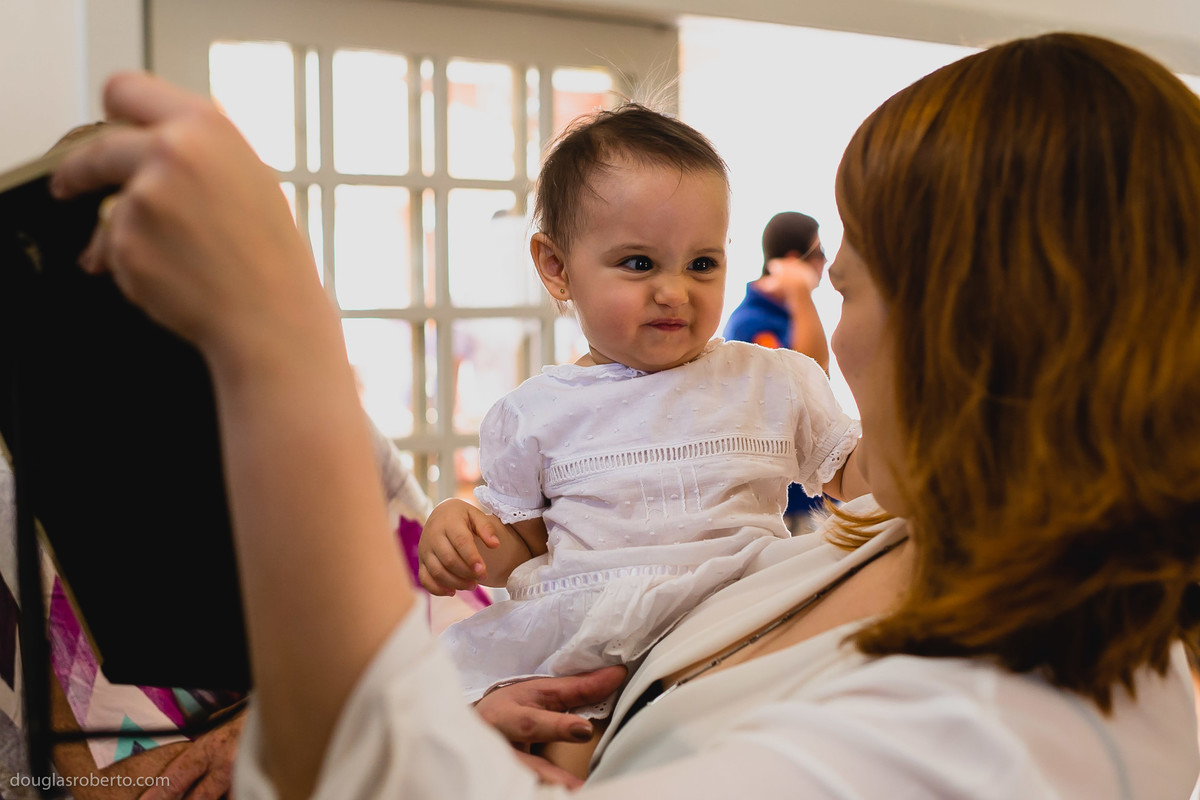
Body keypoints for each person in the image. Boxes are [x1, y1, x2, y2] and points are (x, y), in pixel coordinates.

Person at [50, 30, 1200, 799]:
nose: (831, 336)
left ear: (976, 326)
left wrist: (278, 349)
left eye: (852, 288)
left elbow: (361, 770)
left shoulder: (990, 740)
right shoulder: (888, 545)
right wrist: (507, 726)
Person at [416, 105, 866, 717]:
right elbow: (522, 549)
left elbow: (856, 476)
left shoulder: (769, 381)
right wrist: (463, 537)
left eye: (702, 264)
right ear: (556, 268)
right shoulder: (534, 415)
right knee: (565, 738)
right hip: (593, 647)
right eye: (639, 263)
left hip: (740, 622)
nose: (675, 291)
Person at [724, 211, 832, 532]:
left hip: (810, 495)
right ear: (795, 260)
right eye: (820, 251)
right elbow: (812, 380)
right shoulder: (751, 323)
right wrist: (800, 291)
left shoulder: (787, 313)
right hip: (784, 507)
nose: (826, 262)